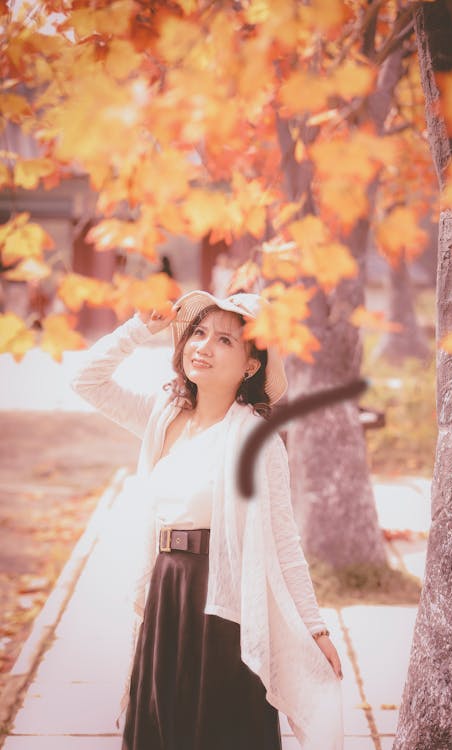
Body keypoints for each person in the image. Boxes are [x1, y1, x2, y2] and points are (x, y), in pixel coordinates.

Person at [70, 290, 344, 750]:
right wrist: (139, 329)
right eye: (198, 333)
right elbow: (85, 380)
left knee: (218, 726)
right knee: (164, 718)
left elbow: (283, 539)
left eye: (224, 340)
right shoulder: (163, 416)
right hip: (168, 588)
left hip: (223, 600)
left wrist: (315, 628)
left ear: (250, 365)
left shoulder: (255, 438)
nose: (203, 346)